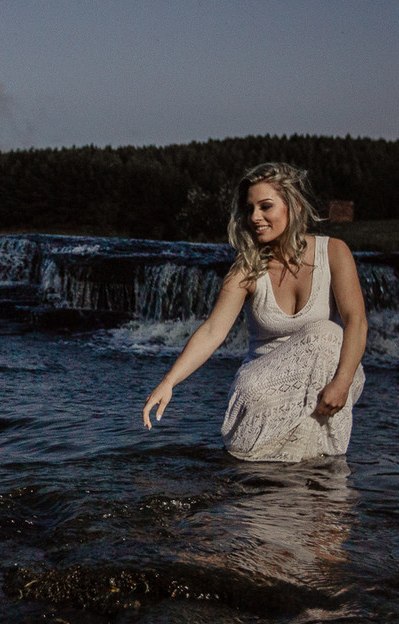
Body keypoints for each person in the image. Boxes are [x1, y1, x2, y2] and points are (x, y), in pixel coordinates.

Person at [141, 163, 367, 462]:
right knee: (260, 492)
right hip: (261, 390)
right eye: (249, 209)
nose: (255, 217)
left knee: (328, 335)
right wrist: (169, 381)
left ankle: (319, 471)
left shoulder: (334, 252)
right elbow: (213, 331)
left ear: (294, 207)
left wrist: (343, 382)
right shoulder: (247, 268)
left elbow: (357, 321)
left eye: (266, 206)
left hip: (327, 381)